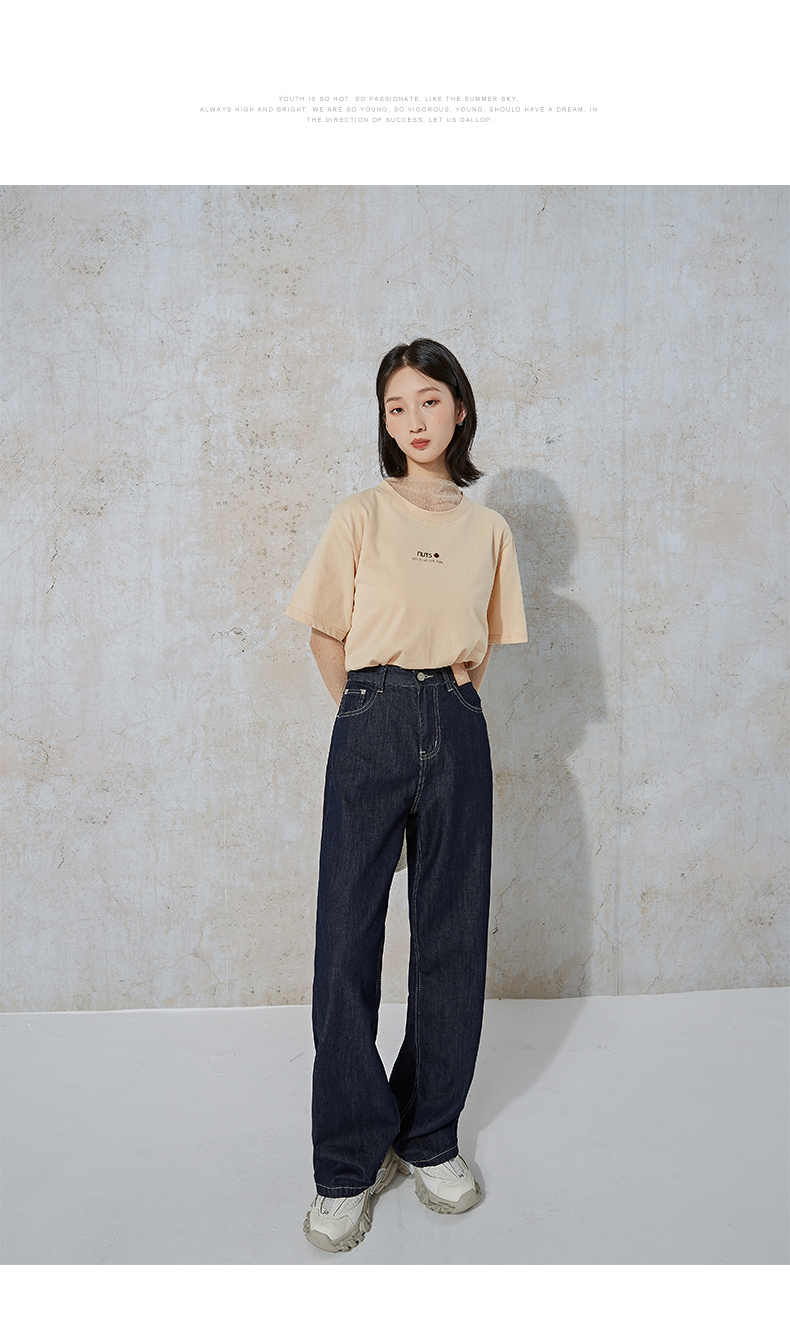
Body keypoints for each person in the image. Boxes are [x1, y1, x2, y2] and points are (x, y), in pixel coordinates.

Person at [285, 338, 528, 1252]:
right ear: (384, 422)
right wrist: (368, 715)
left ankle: (428, 1135)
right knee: (346, 934)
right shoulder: (359, 514)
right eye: (396, 406)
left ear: (459, 407)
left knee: (452, 934)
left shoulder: (489, 529)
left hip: (457, 719)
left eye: (428, 400)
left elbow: (483, 641)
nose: (413, 420)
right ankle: (348, 1161)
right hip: (372, 712)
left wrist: (446, 706)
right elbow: (325, 632)